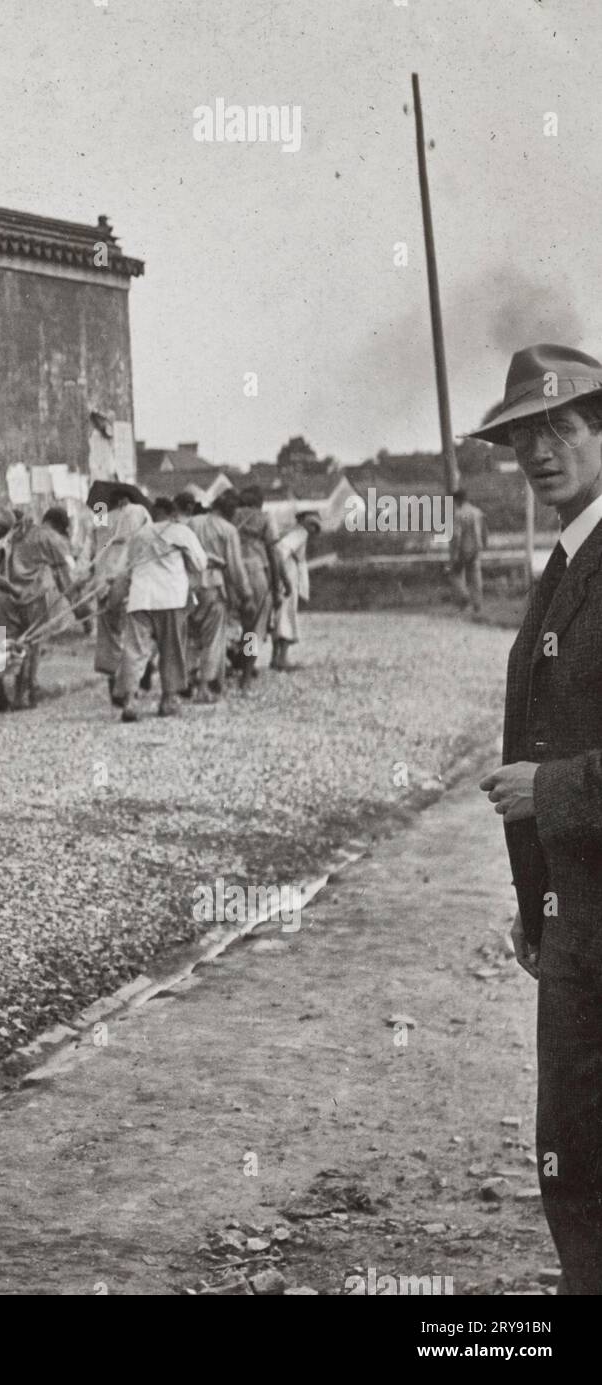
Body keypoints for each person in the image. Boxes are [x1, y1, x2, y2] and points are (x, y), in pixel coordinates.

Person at [473, 344, 602, 1295]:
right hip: (575, 919)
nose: (542, 452)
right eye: (525, 436)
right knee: (571, 1136)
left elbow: (550, 762)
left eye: (561, 427)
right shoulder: (563, 562)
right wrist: (536, 901)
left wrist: (549, 791)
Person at [116, 495, 207, 721]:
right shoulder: (180, 532)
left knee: (135, 651)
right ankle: (169, 700)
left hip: (140, 597)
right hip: (171, 597)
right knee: (171, 649)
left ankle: (130, 700)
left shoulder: (138, 535)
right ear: (173, 513)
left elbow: (123, 568)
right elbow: (200, 563)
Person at [3, 506, 76, 709]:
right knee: (32, 644)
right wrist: (76, 601)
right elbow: (67, 572)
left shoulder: (18, 534)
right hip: (33, 596)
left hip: (5, 597)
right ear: (62, 526)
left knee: (1, 644)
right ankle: (25, 693)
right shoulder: (51, 538)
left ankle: (0, 695)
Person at [186, 489, 253, 701]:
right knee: (213, 638)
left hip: (186, 584)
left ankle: (187, 680)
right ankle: (205, 687)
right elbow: (235, 567)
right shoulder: (228, 530)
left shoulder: (190, 523)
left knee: (189, 637)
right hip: (212, 584)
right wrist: (246, 594)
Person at [92, 484, 150, 705]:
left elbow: (94, 549)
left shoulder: (100, 520)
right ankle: (129, 688)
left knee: (110, 634)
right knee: (133, 635)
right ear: (127, 499)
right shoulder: (138, 513)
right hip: (128, 579)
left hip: (103, 583)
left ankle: (113, 680)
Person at [232, 484, 289, 686]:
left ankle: (224, 669)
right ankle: (246, 674)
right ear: (260, 502)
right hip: (256, 573)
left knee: (230, 625)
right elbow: (274, 555)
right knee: (253, 628)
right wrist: (278, 586)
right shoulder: (264, 518)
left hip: (230, 573)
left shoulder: (230, 515)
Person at [271, 511, 322, 671]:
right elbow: (280, 551)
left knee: (277, 618)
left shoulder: (287, 531)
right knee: (286, 616)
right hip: (288, 574)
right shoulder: (299, 533)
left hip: (280, 574)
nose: (313, 529)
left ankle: (273, 657)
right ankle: (282, 658)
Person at [449, 487, 489, 616]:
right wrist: (484, 544)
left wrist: (454, 553)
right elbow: (484, 530)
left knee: (455, 574)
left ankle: (464, 596)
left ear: (457, 500)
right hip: (476, 548)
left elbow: (457, 535)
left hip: (463, 548)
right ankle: (478, 606)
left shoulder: (459, 513)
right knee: (475, 577)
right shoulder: (477, 512)